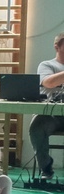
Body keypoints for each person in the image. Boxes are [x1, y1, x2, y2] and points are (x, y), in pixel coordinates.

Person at [32, 32, 64, 178]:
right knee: (37, 126)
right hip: (52, 115)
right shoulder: (47, 65)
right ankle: (46, 167)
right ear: (57, 47)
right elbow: (49, 83)